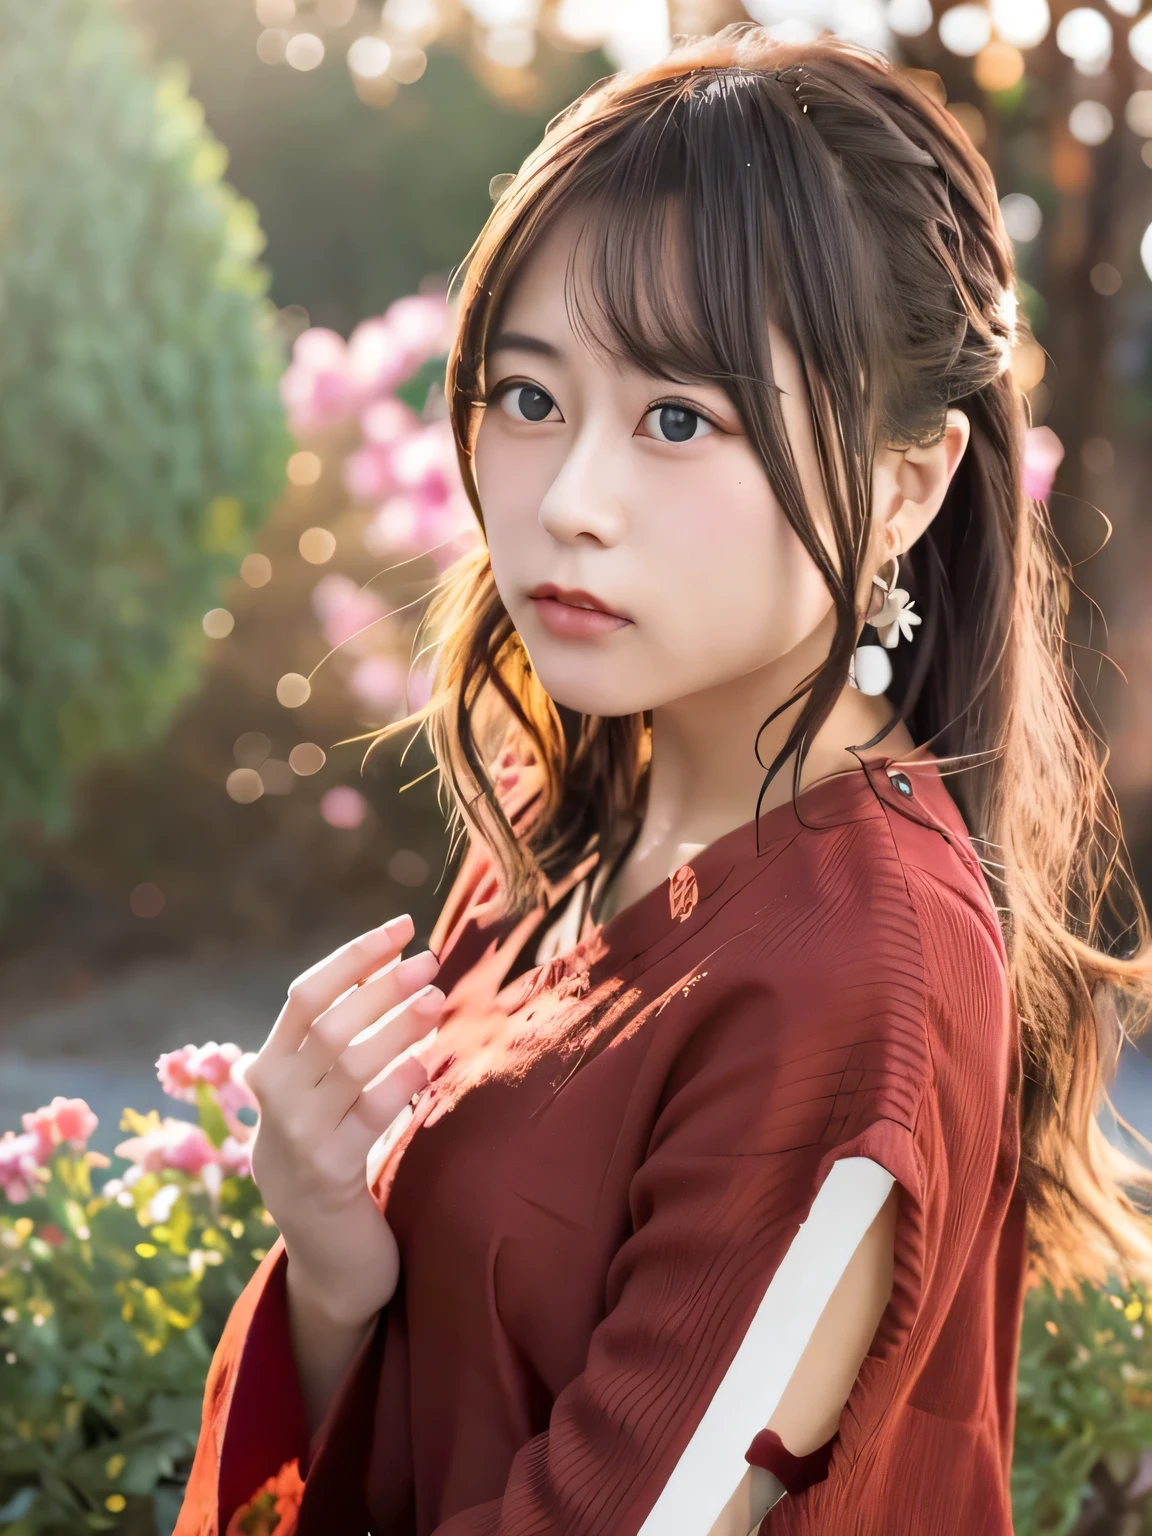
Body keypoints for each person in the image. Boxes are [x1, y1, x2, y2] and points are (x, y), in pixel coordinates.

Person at [176, 26, 1152, 1536]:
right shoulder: (574, 800)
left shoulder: (854, 972)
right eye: (529, 396)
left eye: (681, 420)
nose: (568, 502)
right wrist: (332, 1259)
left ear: (908, 480)